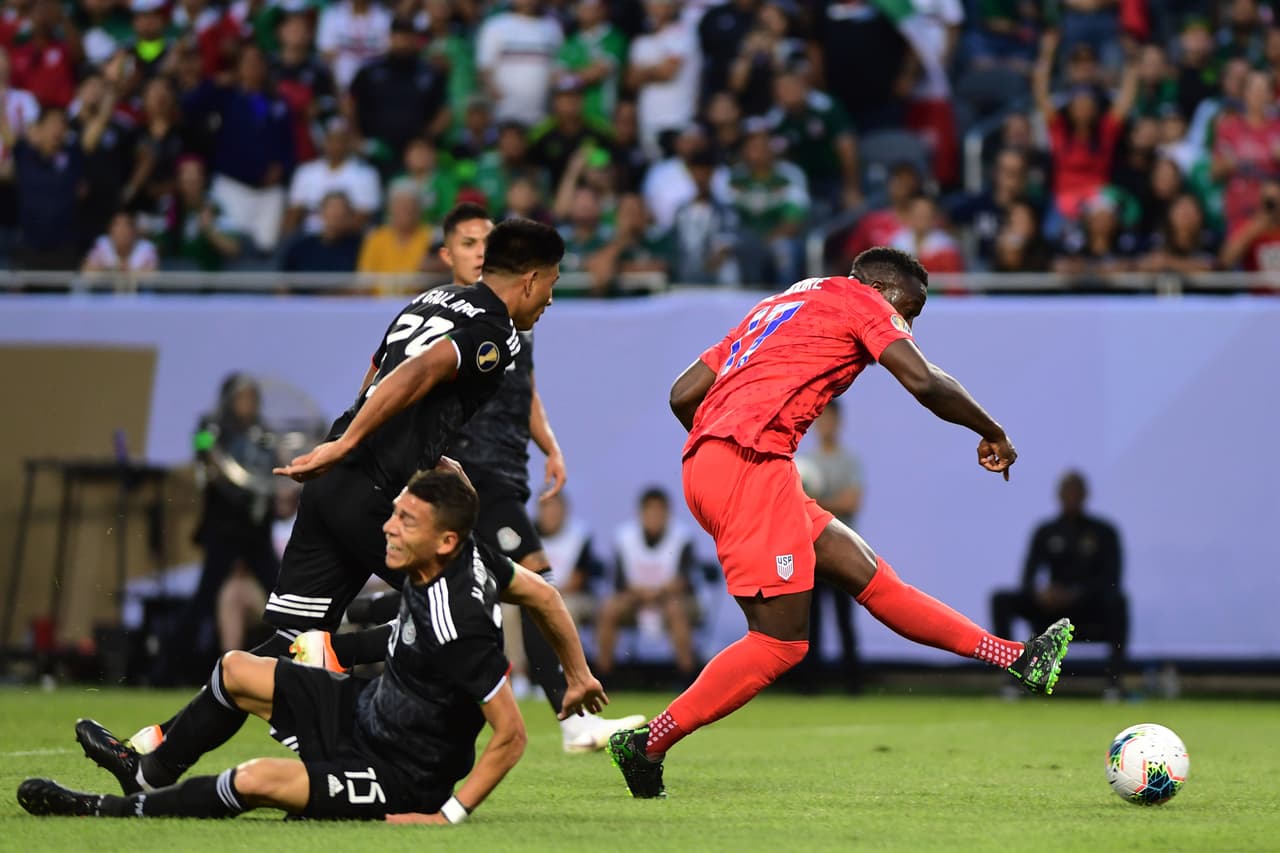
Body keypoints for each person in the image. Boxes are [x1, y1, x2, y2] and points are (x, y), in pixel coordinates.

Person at [608, 247, 1074, 798]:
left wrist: (720, 448)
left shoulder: (782, 303)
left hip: (729, 464)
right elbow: (924, 380)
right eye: (910, 309)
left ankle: (1018, 658)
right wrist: (992, 430)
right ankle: (649, 742)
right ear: (880, 287)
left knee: (870, 575)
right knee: (780, 644)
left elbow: (683, 393)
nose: (908, 324)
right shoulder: (860, 299)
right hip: (750, 465)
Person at [116, 218, 566, 757]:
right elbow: (418, 373)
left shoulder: (433, 299)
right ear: (531, 280)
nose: (551, 301)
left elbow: (379, 372)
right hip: (374, 497)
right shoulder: (497, 333)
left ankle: (154, 752)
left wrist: (370, 445)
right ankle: (341, 667)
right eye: (554, 286)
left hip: (335, 487)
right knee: (465, 606)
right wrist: (351, 442)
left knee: (280, 650)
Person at [21, 467, 608, 822]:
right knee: (236, 669)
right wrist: (578, 674)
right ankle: (150, 772)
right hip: (361, 714)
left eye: (405, 520)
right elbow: (545, 597)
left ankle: (104, 809)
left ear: (445, 539)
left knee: (254, 781)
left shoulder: (461, 623)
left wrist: (448, 815)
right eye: (395, 512)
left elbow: (511, 736)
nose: (388, 526)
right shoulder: (469, 560)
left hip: (399, 774)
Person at [337, 202, 645, 752]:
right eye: (469, 242)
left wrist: (548, 442)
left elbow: (525, 386)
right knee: (533, 578)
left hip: (507, 467)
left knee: (457, 588)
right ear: (449, 253)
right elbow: (403, 376)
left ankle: (340, 637)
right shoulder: (456, 315)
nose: (479, 251)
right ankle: (573, 720)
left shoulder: (513, 318)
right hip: (470, 469)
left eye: (486, 241)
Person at [991, 471, 1125, 696]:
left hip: (1087, 605)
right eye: (1067, 492)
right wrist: (1042, 594)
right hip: (1051, 607)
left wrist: (1075, 593)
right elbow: (1028, 577)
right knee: (1001, 600)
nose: (1071, 497)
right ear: (1059, 496)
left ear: (1085, 495)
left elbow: (1111, 579)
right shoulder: (1046, 532)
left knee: (1118, 603)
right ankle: (1011, 678)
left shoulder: (1104, 532)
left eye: (1076, 492)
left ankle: (1114, 684)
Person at [595, 487, 698, 682]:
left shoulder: (682, 537)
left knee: (676, 611)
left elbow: (684, 581)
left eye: (660, 512)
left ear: (668, 514)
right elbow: (620, 582)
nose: (655, 517)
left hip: (671, 600)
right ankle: (603, 676)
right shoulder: (624, 537)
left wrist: (657, 592)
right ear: (640, 513)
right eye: (650, 511)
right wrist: (643, 593)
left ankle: (687, 678)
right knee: (609, 609)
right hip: (634, 599)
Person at [794, 401, 862, 692]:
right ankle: (810, 683)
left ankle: (852, 682)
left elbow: (852, 502)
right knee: (813, 619)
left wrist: (815, 503)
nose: (826, 425)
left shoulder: (849, 461)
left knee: (844, 617)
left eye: (831, 419)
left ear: (839, 423)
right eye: (821, 419)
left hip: (843, 548)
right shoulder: (804, 463)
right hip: (812, 549)